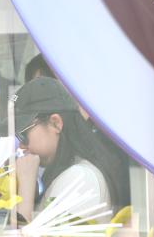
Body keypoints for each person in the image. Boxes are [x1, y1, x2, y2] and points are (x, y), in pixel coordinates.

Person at [10, 77, 127, 221]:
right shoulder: (71, 173)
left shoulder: (80, 179)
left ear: (55, 123)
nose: (21, 145)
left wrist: (26, 186)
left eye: (23, 134)